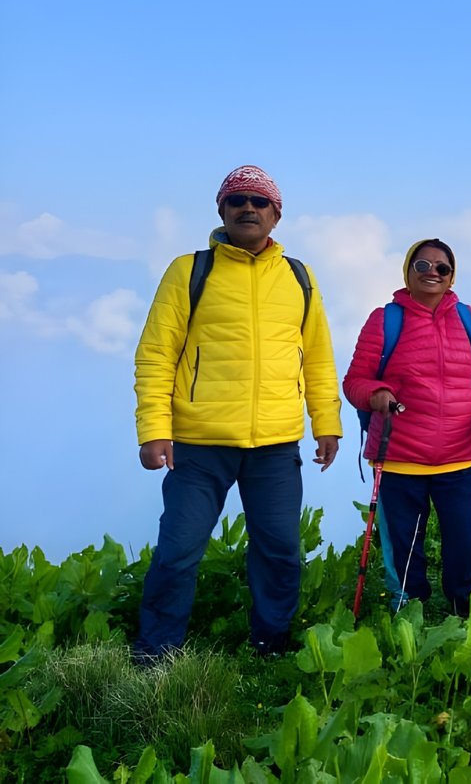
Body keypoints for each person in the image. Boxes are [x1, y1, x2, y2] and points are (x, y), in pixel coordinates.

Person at [132, 165, 341, 660]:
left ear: (276, 215)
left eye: (260, 202)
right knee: (179, 551)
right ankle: (156, 656)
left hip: (275, 444)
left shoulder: (299, 276)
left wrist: (326, 423)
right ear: (222, 210)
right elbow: (157, 354)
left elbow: (318, 355)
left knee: (280, 552)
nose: (249, 208)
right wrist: (153, 431)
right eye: (238, 199)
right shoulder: (189, 270)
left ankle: (270, 648)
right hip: (199, 443)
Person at [343, 239, 471, 616]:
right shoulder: (385, 319)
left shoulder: (469, 318)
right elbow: (355, 381)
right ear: (408, 271)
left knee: (465, 544)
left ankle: (466, 612)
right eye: (422, 266)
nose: (432, 273)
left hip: (458, 456)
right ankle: (407, 613)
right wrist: (378, 392)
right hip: (400, 457)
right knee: (404, 544)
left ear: (451, 277)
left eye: (442, 268)